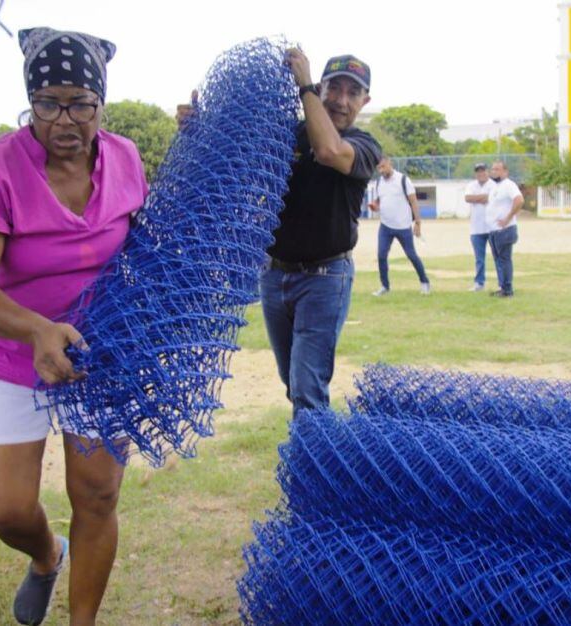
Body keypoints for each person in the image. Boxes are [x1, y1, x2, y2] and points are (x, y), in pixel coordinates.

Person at [0, 28, 147, 626]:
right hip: (11, 356)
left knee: (98, 495)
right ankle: (44, 555)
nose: (66, 118)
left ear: (100, 104)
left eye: (81, 102)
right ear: (30, 103)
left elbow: (143, 245)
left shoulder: (126, 156)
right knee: (6, 508)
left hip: (101, 356)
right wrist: (37, 330)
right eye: (49, 102)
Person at [179, 51, 381, 413]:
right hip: (274, 276)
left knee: (307, 386)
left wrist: (304, 86)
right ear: (324, 88)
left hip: (325, 279)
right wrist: (200, 130)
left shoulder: (364, 146)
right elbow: (234, 161)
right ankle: (311, 451)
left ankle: (314, 465)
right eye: (334, 88)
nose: (341, 100)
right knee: (294, 382)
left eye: (354, 93)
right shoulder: (286, 135)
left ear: (365, 101)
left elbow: (329, 150)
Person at [368, 156, 430, 296]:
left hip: (403, 226)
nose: (381, 170)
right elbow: (379, 201)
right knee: (381, 256)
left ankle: (424, 282)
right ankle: (385, 286)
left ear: (390, 163)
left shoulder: (403, 180)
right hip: (385, 226)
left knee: (411, 255)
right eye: (379, 168)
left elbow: (413, 202)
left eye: (383, 166)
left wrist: (418, 223)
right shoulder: (379, 183)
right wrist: (375, 206)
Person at [484, 160, 523, 298]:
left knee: (504, 259)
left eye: (497, 169)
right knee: (498, 260)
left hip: (505, 230)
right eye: (492, 169)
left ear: (505, 171)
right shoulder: (495, 187)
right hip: (494, 230)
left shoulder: (509, 185)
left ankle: (507, 289)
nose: (493, 171)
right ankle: (502, 287)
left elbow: (519, 200)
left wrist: (508, 217)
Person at [463, 163, 495, 291]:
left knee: (498, 257)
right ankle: (479, 283)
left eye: (483, 171)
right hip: (476, 228)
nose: (481, 174)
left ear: (487, 172)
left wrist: (477, 198)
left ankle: (502, 282)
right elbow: (468, 198)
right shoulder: (471, 185)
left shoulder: (493, 185)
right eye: (478, 172)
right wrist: (483, 198)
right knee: (479, 259)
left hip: (492, 227)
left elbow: (492, 198)